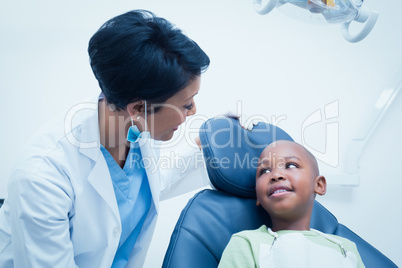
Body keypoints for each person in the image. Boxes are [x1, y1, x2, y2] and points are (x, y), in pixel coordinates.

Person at [0, 9, 211, 267]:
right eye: (187, 104)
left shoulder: (135, 130)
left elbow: (144, 187)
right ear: (137, 109)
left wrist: (208, 149)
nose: (194, 112)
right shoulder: (41, 177)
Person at [218, 140, 365, 267]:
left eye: (291, 165)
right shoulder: (247, 244)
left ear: (319, 185)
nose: (276, 175)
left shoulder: (346, 248)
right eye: (265, 170)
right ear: (257, 194)